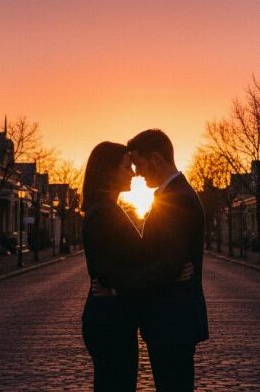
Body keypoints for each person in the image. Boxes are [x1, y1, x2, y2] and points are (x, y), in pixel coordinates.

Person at [80, 141, 193, 392]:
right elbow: (105, 271)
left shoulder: (109, 210)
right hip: (110, 322)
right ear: (109, 171)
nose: (132, 173)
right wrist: (169, 277)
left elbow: (135, 260)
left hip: (114, 320)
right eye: (126, 166)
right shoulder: (103, 214)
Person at [128, 129, 208, 392]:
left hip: (172, 319)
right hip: (171, 318)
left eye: (138, 164)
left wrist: (123, 284)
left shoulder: (177, 198)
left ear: (156, 159)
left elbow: (170, 263)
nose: (137, 172)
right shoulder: (171, 194)